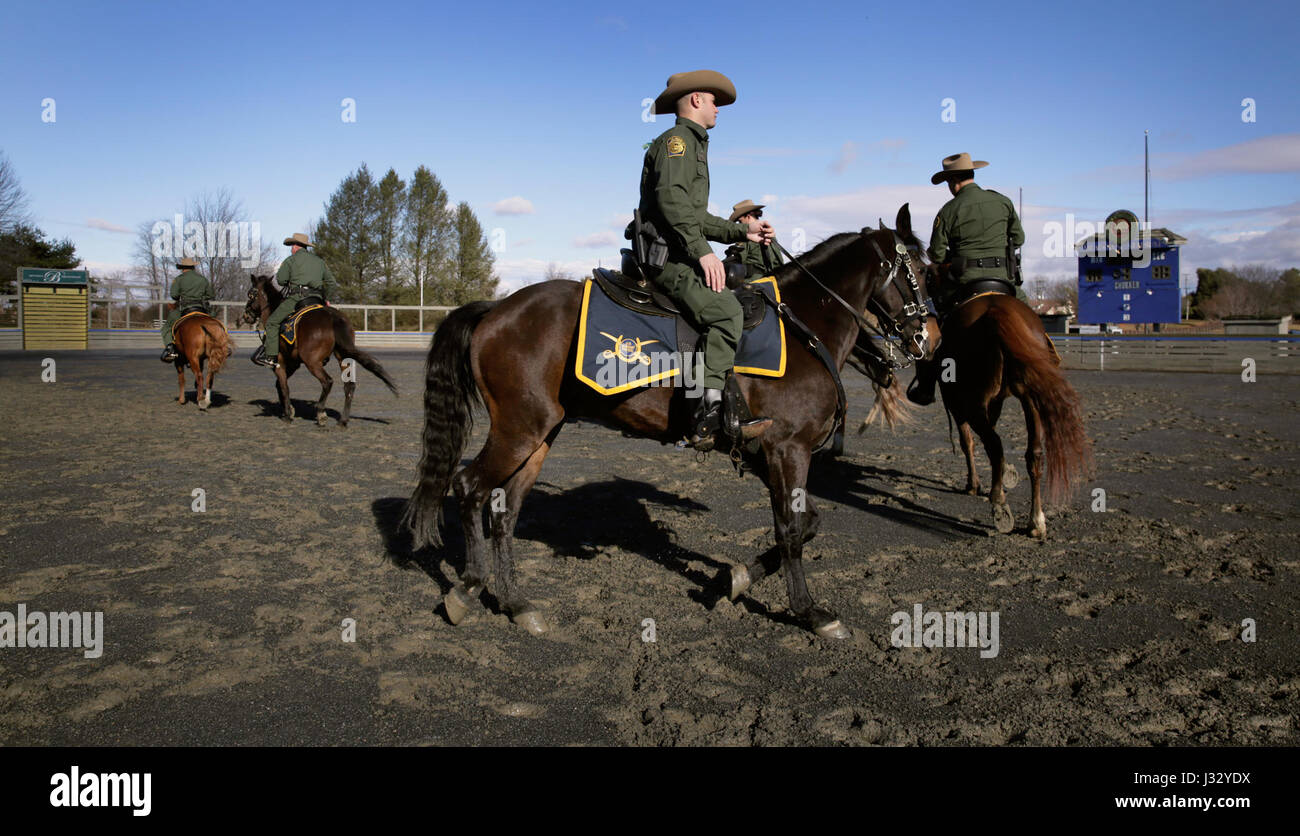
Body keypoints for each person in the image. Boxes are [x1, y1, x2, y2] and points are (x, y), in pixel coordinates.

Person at [638, 70, 774, 447]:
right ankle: (707, 413)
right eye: (714, 100)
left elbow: (695, 216)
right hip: (669, 260)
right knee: (727, 312)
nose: (718, 108)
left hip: (678, 253)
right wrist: (703, 253)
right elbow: (671, 202)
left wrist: (743, 232)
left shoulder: (693, 144)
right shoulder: (678, 142)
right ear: (696, 99)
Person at [907, 152, 1027, 406]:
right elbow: (1019, 239)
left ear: (953, 181)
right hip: (1004, 282)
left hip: (965, 285)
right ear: (972, 175)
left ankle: (927, 387)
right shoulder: (1002, 201)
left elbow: (937, 255)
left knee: (932, 329)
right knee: (1029, 316)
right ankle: (1050, 356)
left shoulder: (949, 210)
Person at [252, 233, 338, 369]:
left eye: (292, 245)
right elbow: (332, 283)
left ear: (296, 246)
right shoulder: (319, 262)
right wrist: (326, 299)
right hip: (317, 300)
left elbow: (280, 280)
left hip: (298, 298)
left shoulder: (290, 260)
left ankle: (270, 356)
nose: (291, 248)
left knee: (272, 322)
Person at [159, 257, 214, 362]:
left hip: (185, 309)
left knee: (167, 327)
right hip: (201, 308)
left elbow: (174, 295)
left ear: (182, 268)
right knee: (214, 321)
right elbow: (210, 294)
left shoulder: (179, 279)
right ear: (193, 267)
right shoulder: (203, 279)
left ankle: (170, 349)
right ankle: (221, 344)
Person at [724, 199, 785, 277]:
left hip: (752, 282)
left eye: (740, 222)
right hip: (772, 280)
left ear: (749, 216)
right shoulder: (769, 232)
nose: (739, 225)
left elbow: (737, 259)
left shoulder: (746, 236)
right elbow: (779, 261)